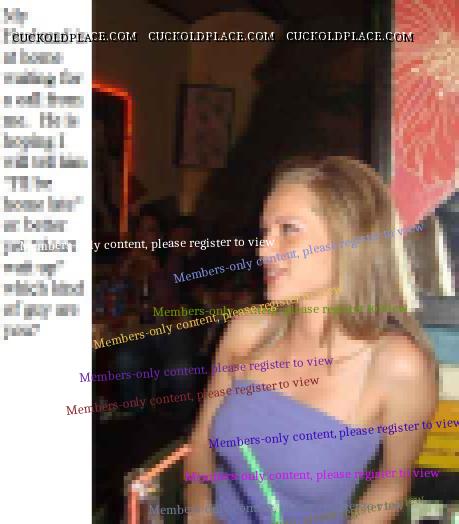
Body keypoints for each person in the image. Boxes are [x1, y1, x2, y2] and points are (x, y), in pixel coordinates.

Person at [184, 157, 438, 523]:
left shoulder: (397, 364)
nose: (263, 250)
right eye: (265, 232)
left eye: (288, 229)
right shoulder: (247, 330)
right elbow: (201, 440)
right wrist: (199, 514)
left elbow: (391, 485)